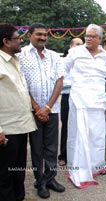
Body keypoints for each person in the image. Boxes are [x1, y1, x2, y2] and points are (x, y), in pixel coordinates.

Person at [64, 24, 106, 188]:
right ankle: (78, 168)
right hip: (79, 101)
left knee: (97, 136)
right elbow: (63, 72)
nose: (88, 38)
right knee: (79, 135)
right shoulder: (75, 52)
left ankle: (95, 167)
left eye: (92, 36)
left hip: (98, 102)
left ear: (99, 39)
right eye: (87, 35)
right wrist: (74, 87)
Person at [19, 23, 65, 199]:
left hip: (52, 110)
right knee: (37, 149)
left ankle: (51, 178)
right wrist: (37, 107)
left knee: (52, 148)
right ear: (29, 35)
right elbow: (21, 84)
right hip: (33, 111)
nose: (43, 38)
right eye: (38, 34)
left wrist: (47, 107)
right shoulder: (21, 55)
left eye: (45, 35)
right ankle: (40, 182)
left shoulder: (53, 56)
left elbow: (59, 81)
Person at [0, 23, 37, 201]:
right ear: (6, 41)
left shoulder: (14, 60)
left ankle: (19, 197)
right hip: (6, 130)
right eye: (17, 38)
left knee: (18, 169)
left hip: (21, 126)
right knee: (5, 173)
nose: (20, 41)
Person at [58, 37, 83, 167]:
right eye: (77, 44)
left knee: (81, 126)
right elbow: (62, 82)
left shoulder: (83, 62)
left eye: (81, 45)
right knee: (67, 125)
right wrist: (77, 83)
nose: (80, 47)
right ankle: (64, 155)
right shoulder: (63, 62)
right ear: (70, 46)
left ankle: (79, 154)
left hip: (82, 96)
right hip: (68, 96)